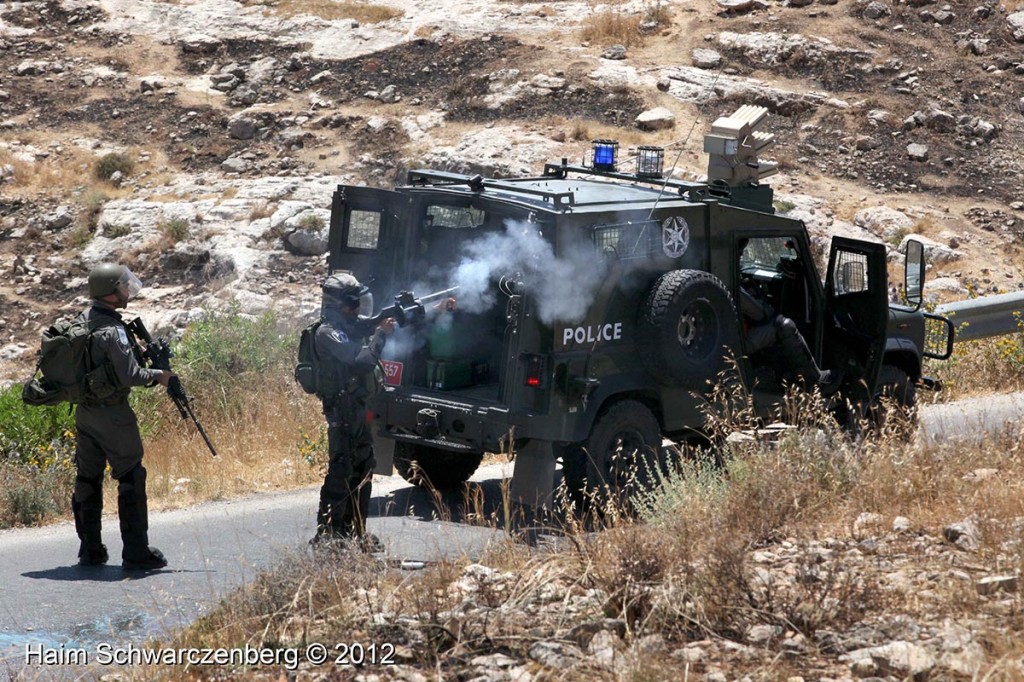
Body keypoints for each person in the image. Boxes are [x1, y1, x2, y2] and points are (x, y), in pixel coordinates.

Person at [74, 263, 175, 570]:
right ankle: (136, 552)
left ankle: (90, 550)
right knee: (131, 476)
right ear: (110, 292)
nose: (126, 291)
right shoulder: (113, 330)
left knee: (87, 478)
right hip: (114, 416)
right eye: (122, 287)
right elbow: (131, 375)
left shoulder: (82, 320)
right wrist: (160, 375)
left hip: (85, 413)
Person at [310, 273, 395, 550]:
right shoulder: (327, 333)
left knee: (364, 468)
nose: (358, 307)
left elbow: (366, 326)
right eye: (353, 302)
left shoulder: (348, 327)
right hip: (342, 414)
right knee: (342, 470)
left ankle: (356, 533)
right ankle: (329, 535)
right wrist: (381, 335)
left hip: (358, 411)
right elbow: (362, 361)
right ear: (340, 304)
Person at [739, 283, 842, 394]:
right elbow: (760, 313)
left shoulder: (719, 277)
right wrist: (770, 312)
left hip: (723, 340)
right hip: (734, 342)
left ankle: (790, 377)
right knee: (785, 326)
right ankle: (813, 382)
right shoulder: (725, 279)